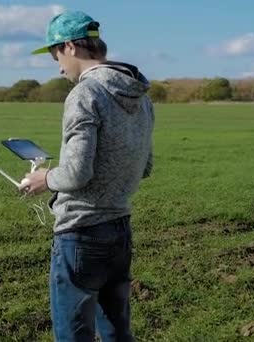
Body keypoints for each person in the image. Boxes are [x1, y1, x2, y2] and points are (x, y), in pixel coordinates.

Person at [21, 11, 154, 342]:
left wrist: (44, 179)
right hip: (120, 231)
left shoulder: (85, 93)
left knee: (73, 335)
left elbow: (78, 172)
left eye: (55, 55)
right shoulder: (140, 95)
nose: (58, 66)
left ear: (70, 47)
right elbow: (146, 166)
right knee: (117, 333)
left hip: (80, 236)